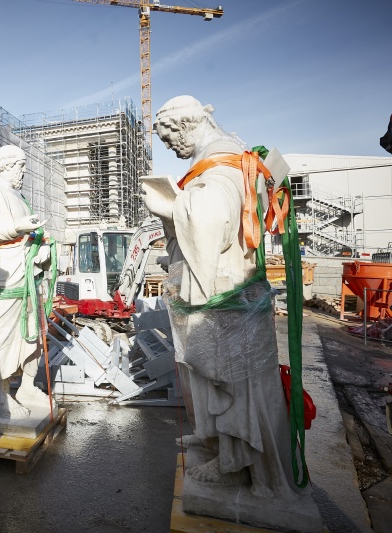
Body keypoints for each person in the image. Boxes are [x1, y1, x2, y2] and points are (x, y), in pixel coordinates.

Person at [141, 96, 303, 501]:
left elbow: (210, 217)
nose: (171, 148)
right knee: (230, 378)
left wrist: (169, 207)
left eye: (169, 139)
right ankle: (222, 446)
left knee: (229, 378)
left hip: (224, 295)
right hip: (234, 292)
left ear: (184, 125)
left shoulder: (218, 164)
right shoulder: (231, 153)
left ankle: (237, 463)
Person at [0, 145, 54, 419]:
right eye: (20, 167)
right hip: (4, 275)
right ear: (7, 166)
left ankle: (27, 387)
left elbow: (24, 235)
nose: (23, 173)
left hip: (26, 272)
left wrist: (39, 245)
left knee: (33, 332)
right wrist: (18, 229)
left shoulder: (18, 195)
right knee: (3, 335)